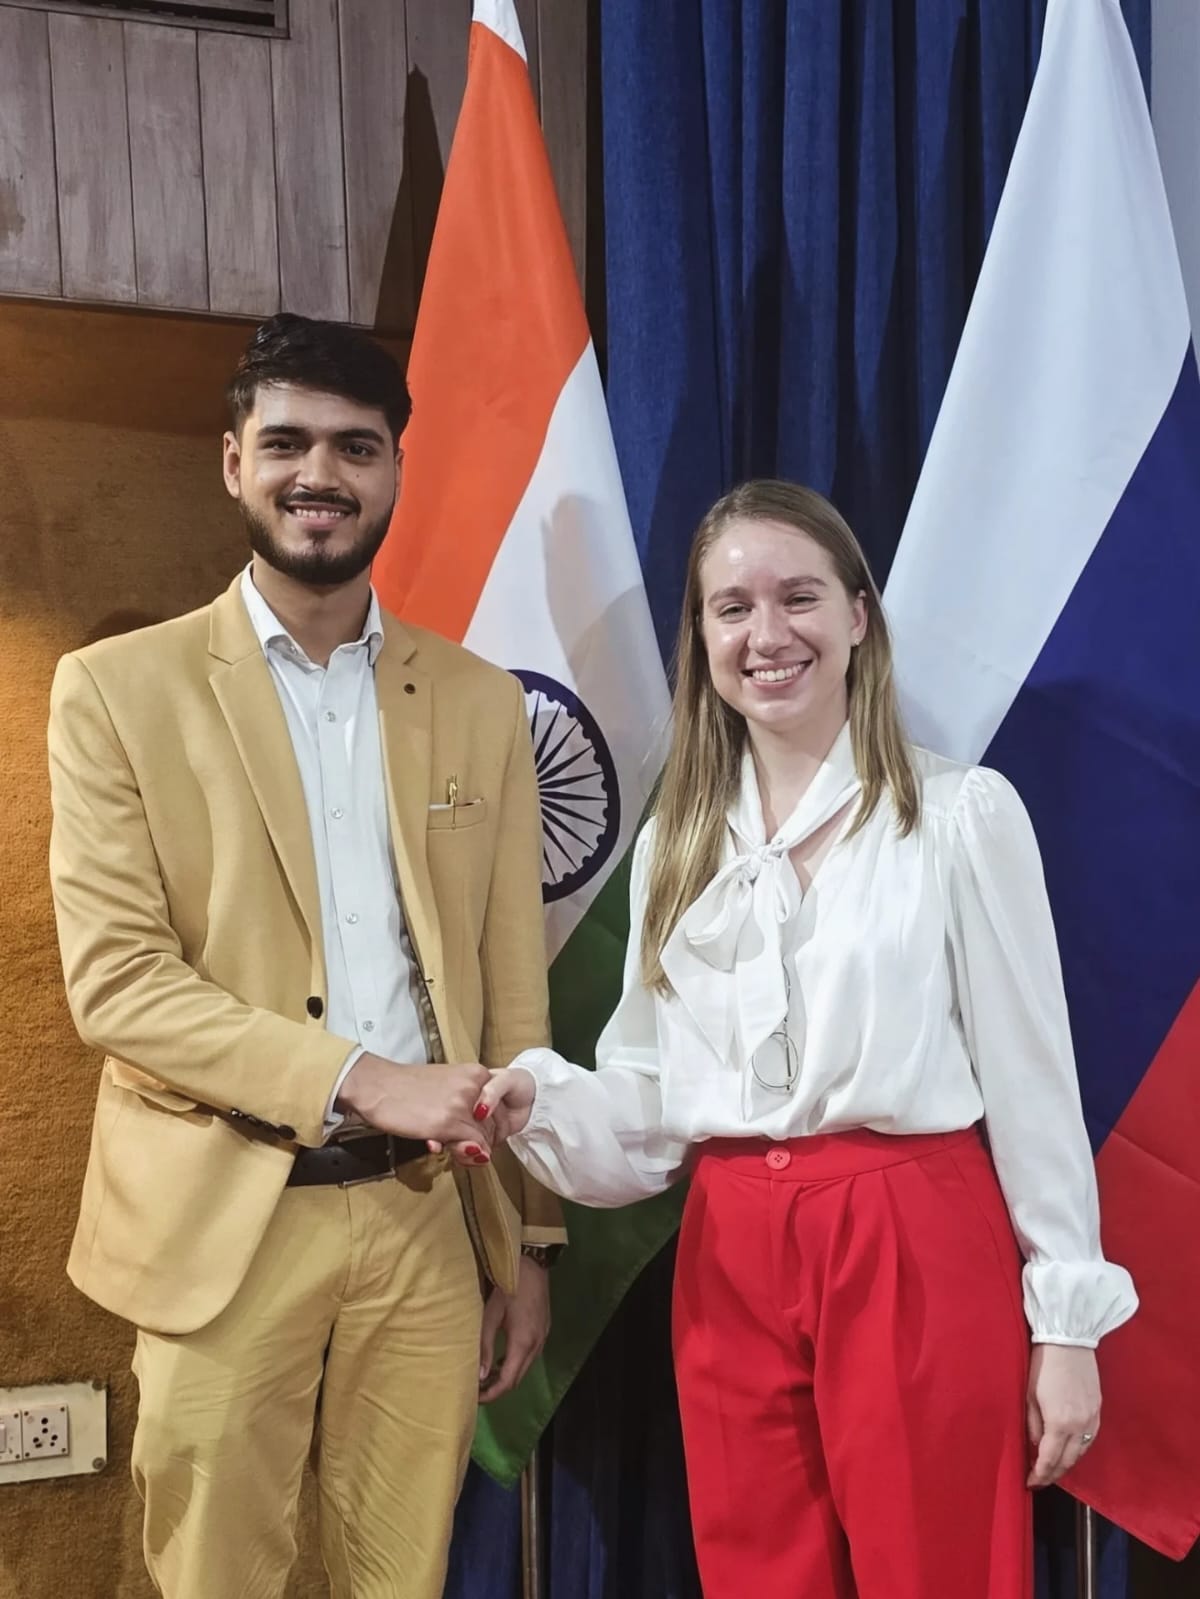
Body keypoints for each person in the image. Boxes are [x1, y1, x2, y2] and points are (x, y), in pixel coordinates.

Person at [468, 480, 1137, 1599]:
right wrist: (541, 1104)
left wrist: (1065, 1322)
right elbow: (651, 1096)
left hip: (909, 1232)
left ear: (859, 615)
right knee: (758, 1573)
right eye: (732, 608)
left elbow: (1034, 1087)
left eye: (798, 598)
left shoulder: (959, 815)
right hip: (729, 1243)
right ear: (704, 637)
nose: (766, 635)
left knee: (936, 1573)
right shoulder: (679, 839)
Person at [47, 313, 565, 1599]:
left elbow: (510, 986)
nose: (317, 473)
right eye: (284, 441)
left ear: (396, 470)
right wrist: (360, 1076)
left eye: (355, 446)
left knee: (404, 1573)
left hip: (426, 1227)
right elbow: (119, 983)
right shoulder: (115, 689)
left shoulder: (479, 701)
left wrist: (529, 1245)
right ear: (232, 461)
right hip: (224, 1216)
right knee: (212, 1574)